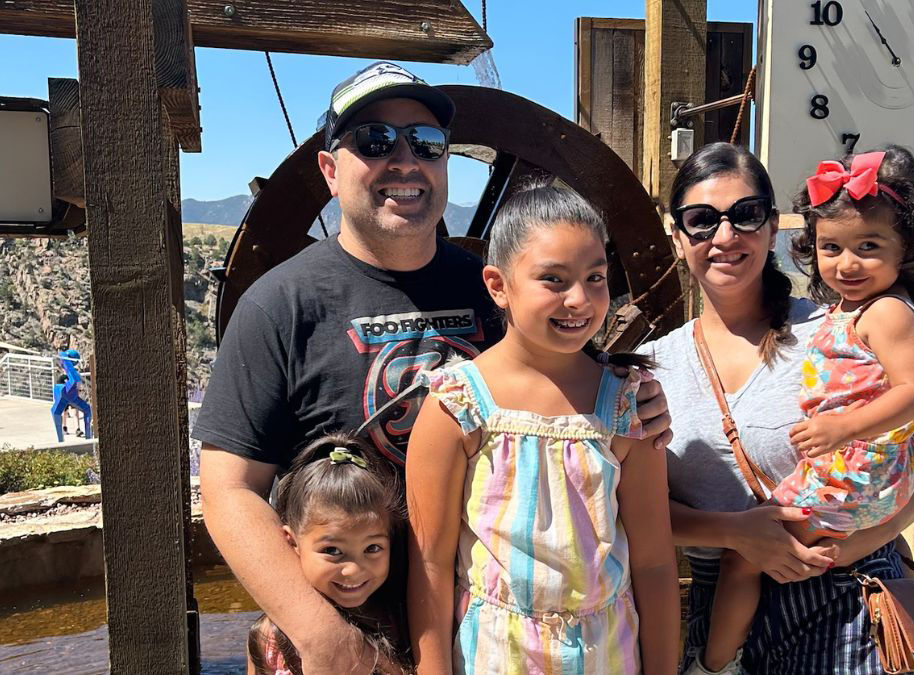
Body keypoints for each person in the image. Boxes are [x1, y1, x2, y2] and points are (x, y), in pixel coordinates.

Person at [194, 62, 672, 673]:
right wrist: (326, 640)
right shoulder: (279, 305)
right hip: (348, 615)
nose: (404, 161)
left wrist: (638, 399)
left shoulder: (493, 290)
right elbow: (230, 492)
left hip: (487, 634)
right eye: (374, 142)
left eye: (425, 144)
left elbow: (572, 398)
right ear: (330, 170)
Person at [638, 142, 914, 674]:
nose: (726, 236)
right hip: (724, 603)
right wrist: (735, 533)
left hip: (843, 591)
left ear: (772, 226)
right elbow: (638, 514)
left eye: (746, 214)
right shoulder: (650, 369)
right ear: (676, 232)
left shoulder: (840, 330)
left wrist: (861, 545)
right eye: (701, 220)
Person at [405, 186, 679, 674]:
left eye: (595, 277)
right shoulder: (457, 406)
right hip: (495, 656)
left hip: (609, 655)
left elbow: (655, 562)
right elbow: (429, 564)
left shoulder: (626, 407)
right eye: (553, 279)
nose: (579, 299)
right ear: (497, 285)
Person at [246, 433, 407, 674]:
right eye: (332, 551)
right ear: (292, 542)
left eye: (372, 548)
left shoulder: (402, 622)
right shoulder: (270, 638)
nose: (353, 569)